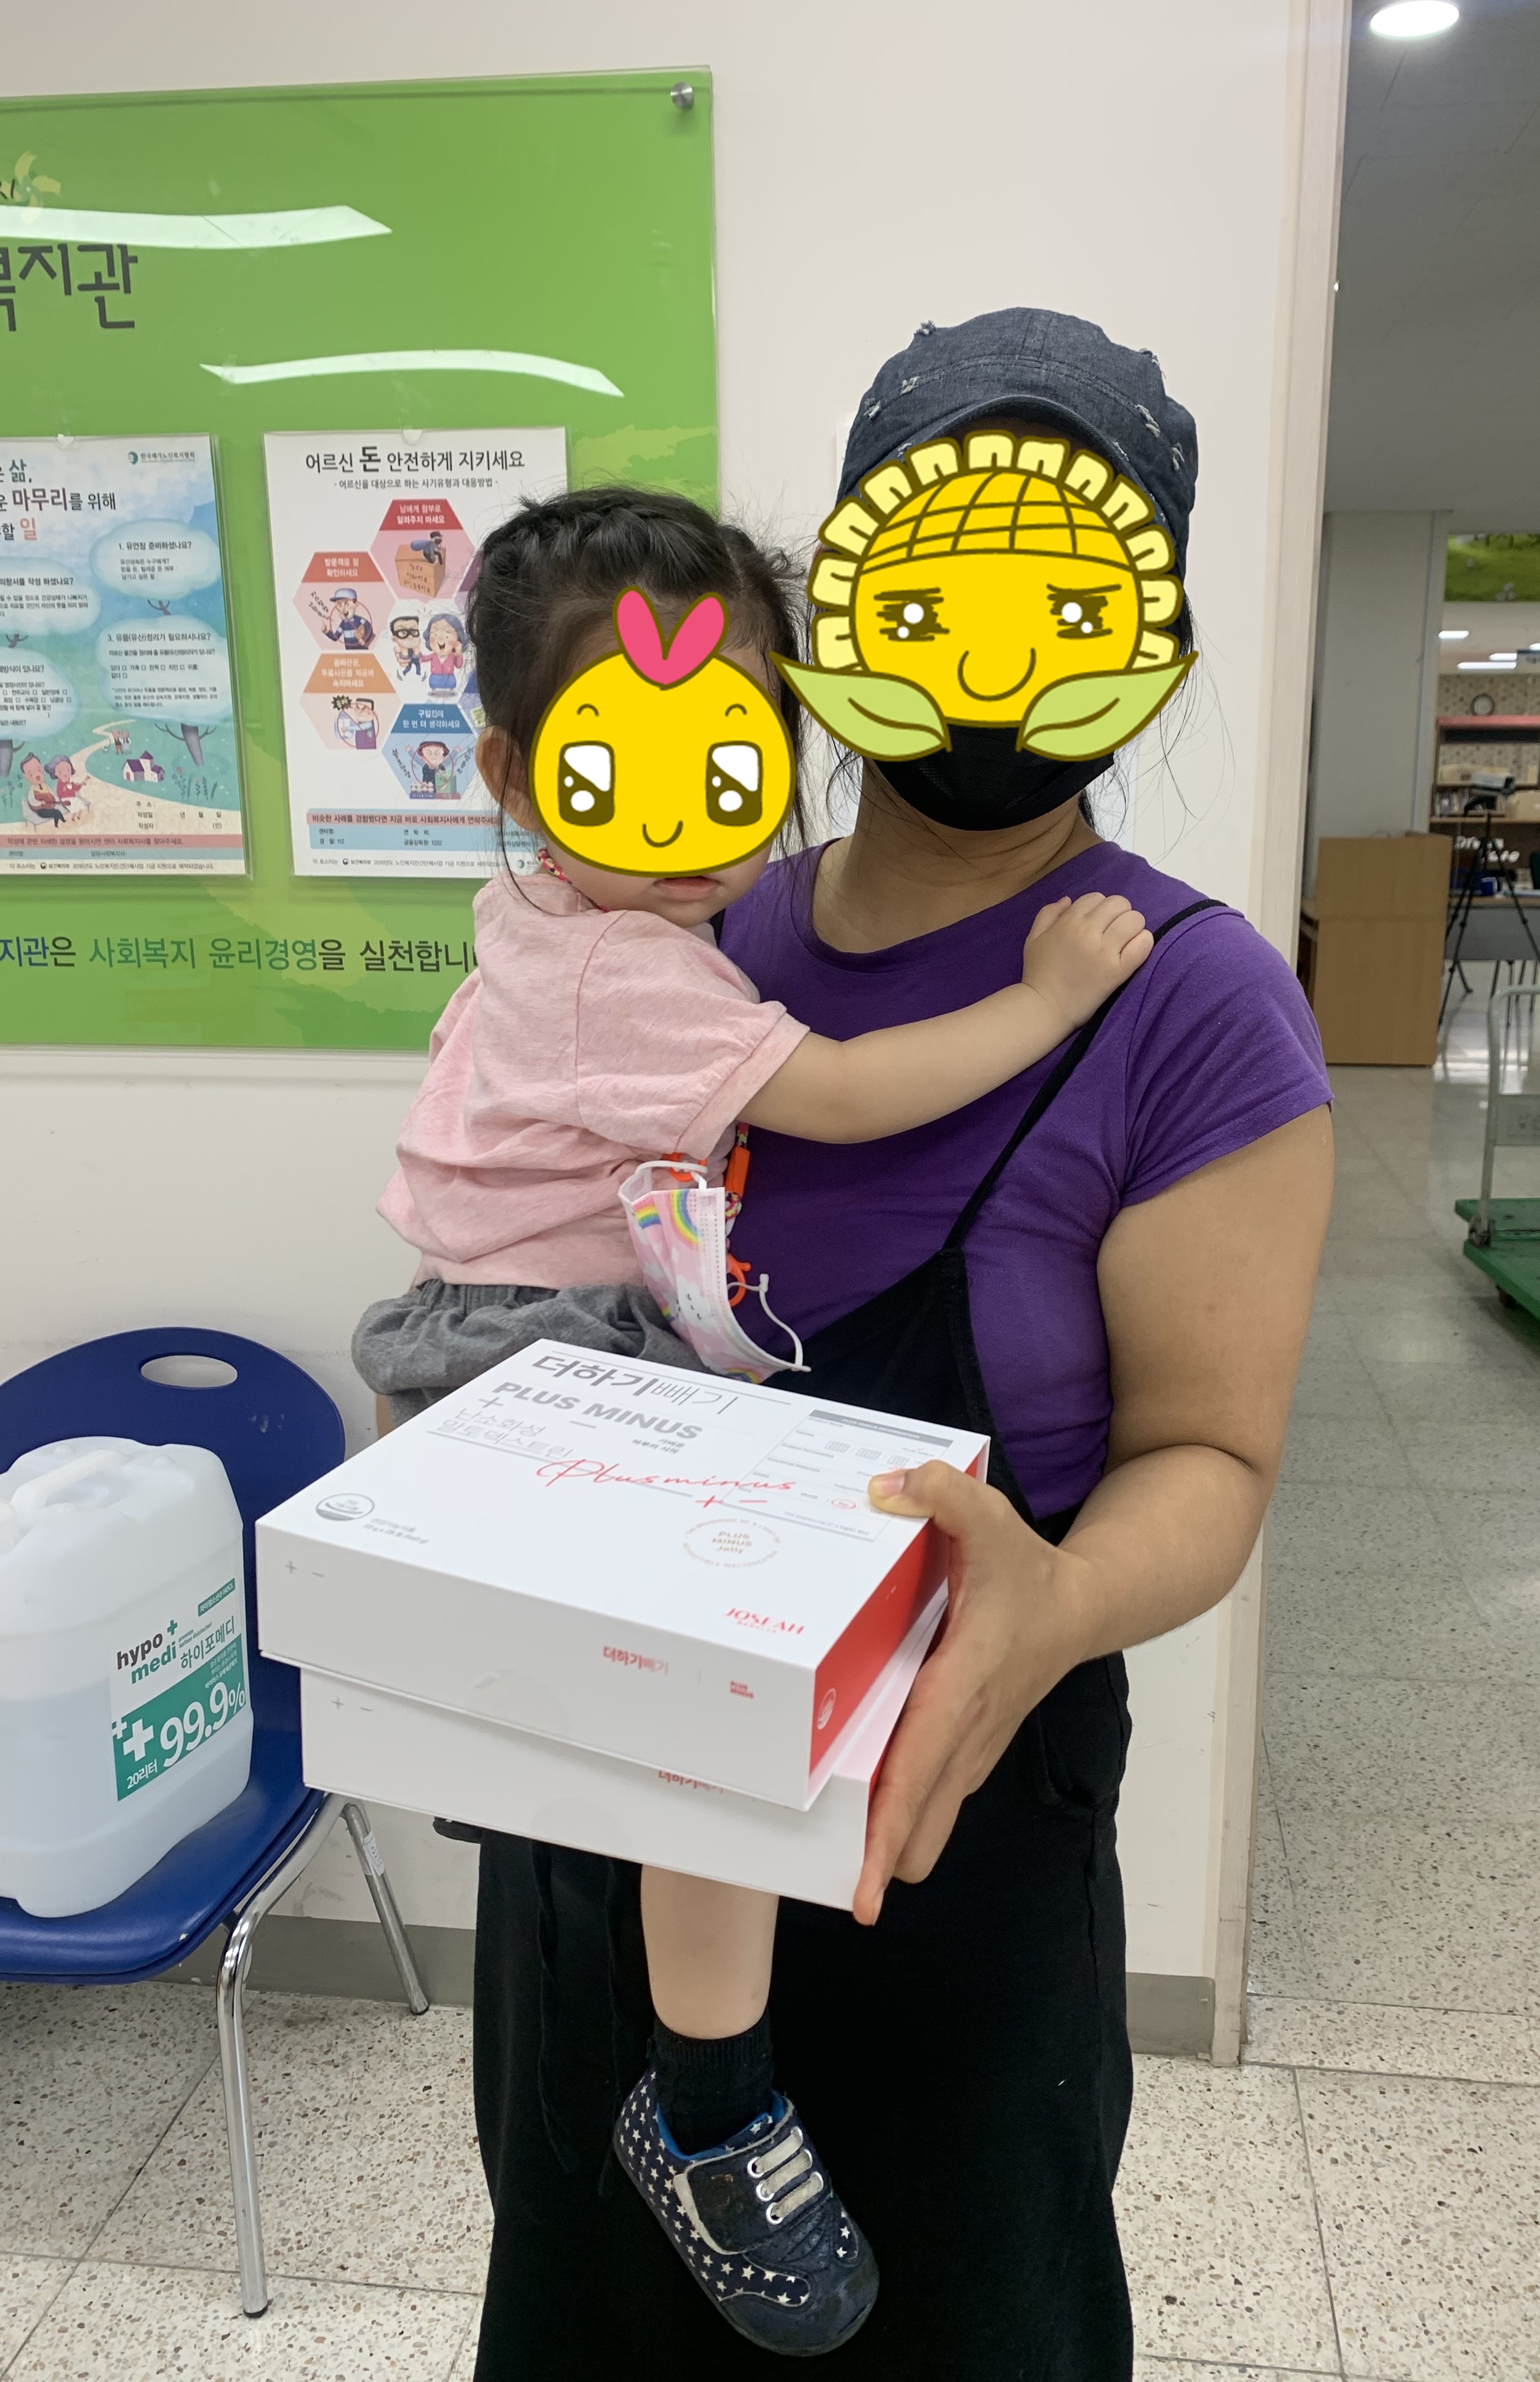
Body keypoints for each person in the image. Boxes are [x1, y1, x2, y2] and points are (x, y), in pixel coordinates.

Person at [450, 311, 1333, 2381]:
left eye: (1065, 601)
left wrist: (1058, 1601)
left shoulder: (1187, 1001)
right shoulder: (680, 922)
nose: (988, 659)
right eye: (930, 589)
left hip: (939, 1829)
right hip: (624, 1815)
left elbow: (1208, 1459)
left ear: (1155, 644)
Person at [351, 481, 1160, 2360]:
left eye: (730, 768)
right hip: (553, 1356)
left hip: (492, 1338)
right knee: (709, 1745)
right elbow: (855, 1092)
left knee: (656, 1747)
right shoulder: (629, 967)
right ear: (512, 768)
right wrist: (1048, 998)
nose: (696, 822)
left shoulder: (544, 906)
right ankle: (709, 2105)